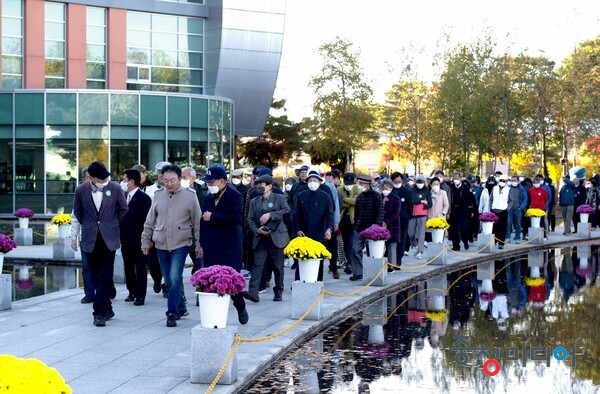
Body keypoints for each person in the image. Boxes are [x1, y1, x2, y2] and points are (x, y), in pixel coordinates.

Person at [141, 165, 201, 327]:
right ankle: (181, 307)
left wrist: (199, 245)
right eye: (165, 180)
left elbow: (197, 222)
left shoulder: (190, 196)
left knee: (175, 276)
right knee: (168, 280)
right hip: (161, 242)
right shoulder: (158, 195)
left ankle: (172, 313)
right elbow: (149, 220)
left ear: (180, 179)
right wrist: (145, 240)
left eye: (172, 180)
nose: (169, 184)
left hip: (181, 242)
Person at [73, 161, 128, 327]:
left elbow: (123, 208)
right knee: (95, 275)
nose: (104, 181)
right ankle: (108, 307)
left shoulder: (116, 188)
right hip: (90, 238)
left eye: (106, 178)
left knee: (105, 274)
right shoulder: (80, 190)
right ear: (91, 178)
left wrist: (111, 223)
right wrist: (87, 227)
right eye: (101, 179)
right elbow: (77, 212)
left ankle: (98, 313)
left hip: (108, 239)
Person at [200, 164, 249, 324]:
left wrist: (214, 217)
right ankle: (215, 316)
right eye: (208, 183)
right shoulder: (208, 197)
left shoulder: (235, 196)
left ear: (222, 181)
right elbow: (204, 222)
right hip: (211, 246)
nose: (209, 185)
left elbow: (236, 219)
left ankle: (240, 306)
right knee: (212, 281)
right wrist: (202, 243)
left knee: (231, 281)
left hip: (229, 246)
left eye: (212, 182)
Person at [244, 175, 290, 302]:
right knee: (257, 265)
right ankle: (253, 292)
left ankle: (278, 291)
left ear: (270, 186)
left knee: (278, 266)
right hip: (261, 238)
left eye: (262, 184)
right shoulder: (254, 201)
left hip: (276, 238)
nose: (259, 186)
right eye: (257, 184)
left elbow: (287, 210)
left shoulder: (279, 198)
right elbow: (250, 219)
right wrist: (256, 230)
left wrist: (270, 214)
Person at [293, 170, 335, 281]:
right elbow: (296, 214)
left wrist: (329, 229)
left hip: (319, 232)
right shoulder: (301, 195)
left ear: (320, 182)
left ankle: (318, 282)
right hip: (304, 232)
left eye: (315, 180)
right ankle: (299, 281)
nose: (312, 183)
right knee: (301, 257)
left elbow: (330, 214)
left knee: (318, 259)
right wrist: (297, 229)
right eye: (310, 180)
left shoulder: (325, 196)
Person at [119, 169, 152, 306]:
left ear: (131, 181)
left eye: (124, 179)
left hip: (140, 239)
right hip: (125, 239)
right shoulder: (122, 197)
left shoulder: (144, 198)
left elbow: (148, 221)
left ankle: (140, 295)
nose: (123, 182)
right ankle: (131, 291)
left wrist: (149, 239)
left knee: (140, 267)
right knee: (128, 266)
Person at [144, 161, 171, 297]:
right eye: (160, 172)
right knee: (153, 260)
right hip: (155, 230)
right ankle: (157, 279)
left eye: (164, 172)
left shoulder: (174, 189)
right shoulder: (149, 190)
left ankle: (167, 284)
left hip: (170, 230)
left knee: (168, 260)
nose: (161, 175)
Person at [351, 174, 384, 280]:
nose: (360, 185)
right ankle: (358, 273)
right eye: (359, 183)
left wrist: (377, 227)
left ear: (368, 184)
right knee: (355, 250)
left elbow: (380, 212)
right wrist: (355, 226)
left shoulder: (376, 196)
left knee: (372, 253)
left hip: (372, 230)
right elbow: (356, 214)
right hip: (359, 229)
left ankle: (373, 273)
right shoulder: (359, 197)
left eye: (362, 184)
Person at [71, 166, 95, 304]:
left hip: (102, 237)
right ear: (83, 179)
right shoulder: (80, 193)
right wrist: (74, 238)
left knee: (101, 267)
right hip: (86, 237)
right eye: (88, 177)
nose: (90, 180)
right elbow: (75, 218)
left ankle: (106, 290)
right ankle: (89, 293)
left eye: (92, 177)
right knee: (87, 267)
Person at [338, 172, 359, 275]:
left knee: (351, 242)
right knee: (346, 242)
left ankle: (350, 263)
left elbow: (357, 201)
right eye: (347, 183)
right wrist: (350, 201)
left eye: (350, 183)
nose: (348, 185)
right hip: (342, 220)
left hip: (353, 220)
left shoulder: (357, 189)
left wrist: (345, 200)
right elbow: (339, 203)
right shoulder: (339, 189)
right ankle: (348, 262)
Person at [408, 175, 432, 259]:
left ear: (424, 183)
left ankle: (420, 251)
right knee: (410, 232)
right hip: (412, 213)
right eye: (418, 182)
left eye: (421, 182)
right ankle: (414, 245)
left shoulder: (427, 191)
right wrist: (421, 201)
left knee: (421, 234)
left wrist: (425, 206)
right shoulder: (411, 190)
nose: (419, 184)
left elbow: (430, 203)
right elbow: (412, 200)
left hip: (422, 214)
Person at [381, 180, 401, 272]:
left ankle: (391, 265)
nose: (385, 190)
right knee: (381, 245)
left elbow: (395, 213)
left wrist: (386, 221)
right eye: (383, 189)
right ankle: (382, 264)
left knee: (392, 246)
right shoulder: (380, 197)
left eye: (387, 189)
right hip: (381, 225)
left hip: (392, 225)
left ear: (391, 188)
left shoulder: (396, 198)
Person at [448, 172, 471, 251]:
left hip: (463, 210)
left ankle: (465, 241)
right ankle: (456, 245)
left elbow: (468, 199)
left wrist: (469, 210)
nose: (455, 180)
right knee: (454, 229)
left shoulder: (465, 188)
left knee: (463, 228)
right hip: (454, 210)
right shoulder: (451, 188)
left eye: (457, 179)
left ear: (460, 179)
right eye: (454, 179)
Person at [506, 175, 528, 244]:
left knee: (518, 224)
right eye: (512, 180)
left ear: (518, 181)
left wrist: (521, 207)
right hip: (510, 209)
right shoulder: (508, 188)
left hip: (517, 209)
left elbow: (525, 198)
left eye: (515, 181)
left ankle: (517, 237)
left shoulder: (521, 189)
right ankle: (507, 237)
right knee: (508, 223)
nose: (513, 182)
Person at [491, 175, 510, 249]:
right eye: (500, 180)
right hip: (494, 209)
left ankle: (501, 242)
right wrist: (491, 207)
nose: (502, 182)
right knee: (494, 227)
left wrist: (508, 208)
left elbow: (510, 200)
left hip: (503, 210)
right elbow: (491, 198)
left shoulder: (508, 189)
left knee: (502, 227)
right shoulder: (495, 188)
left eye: (503, 181)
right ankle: (494, 241)